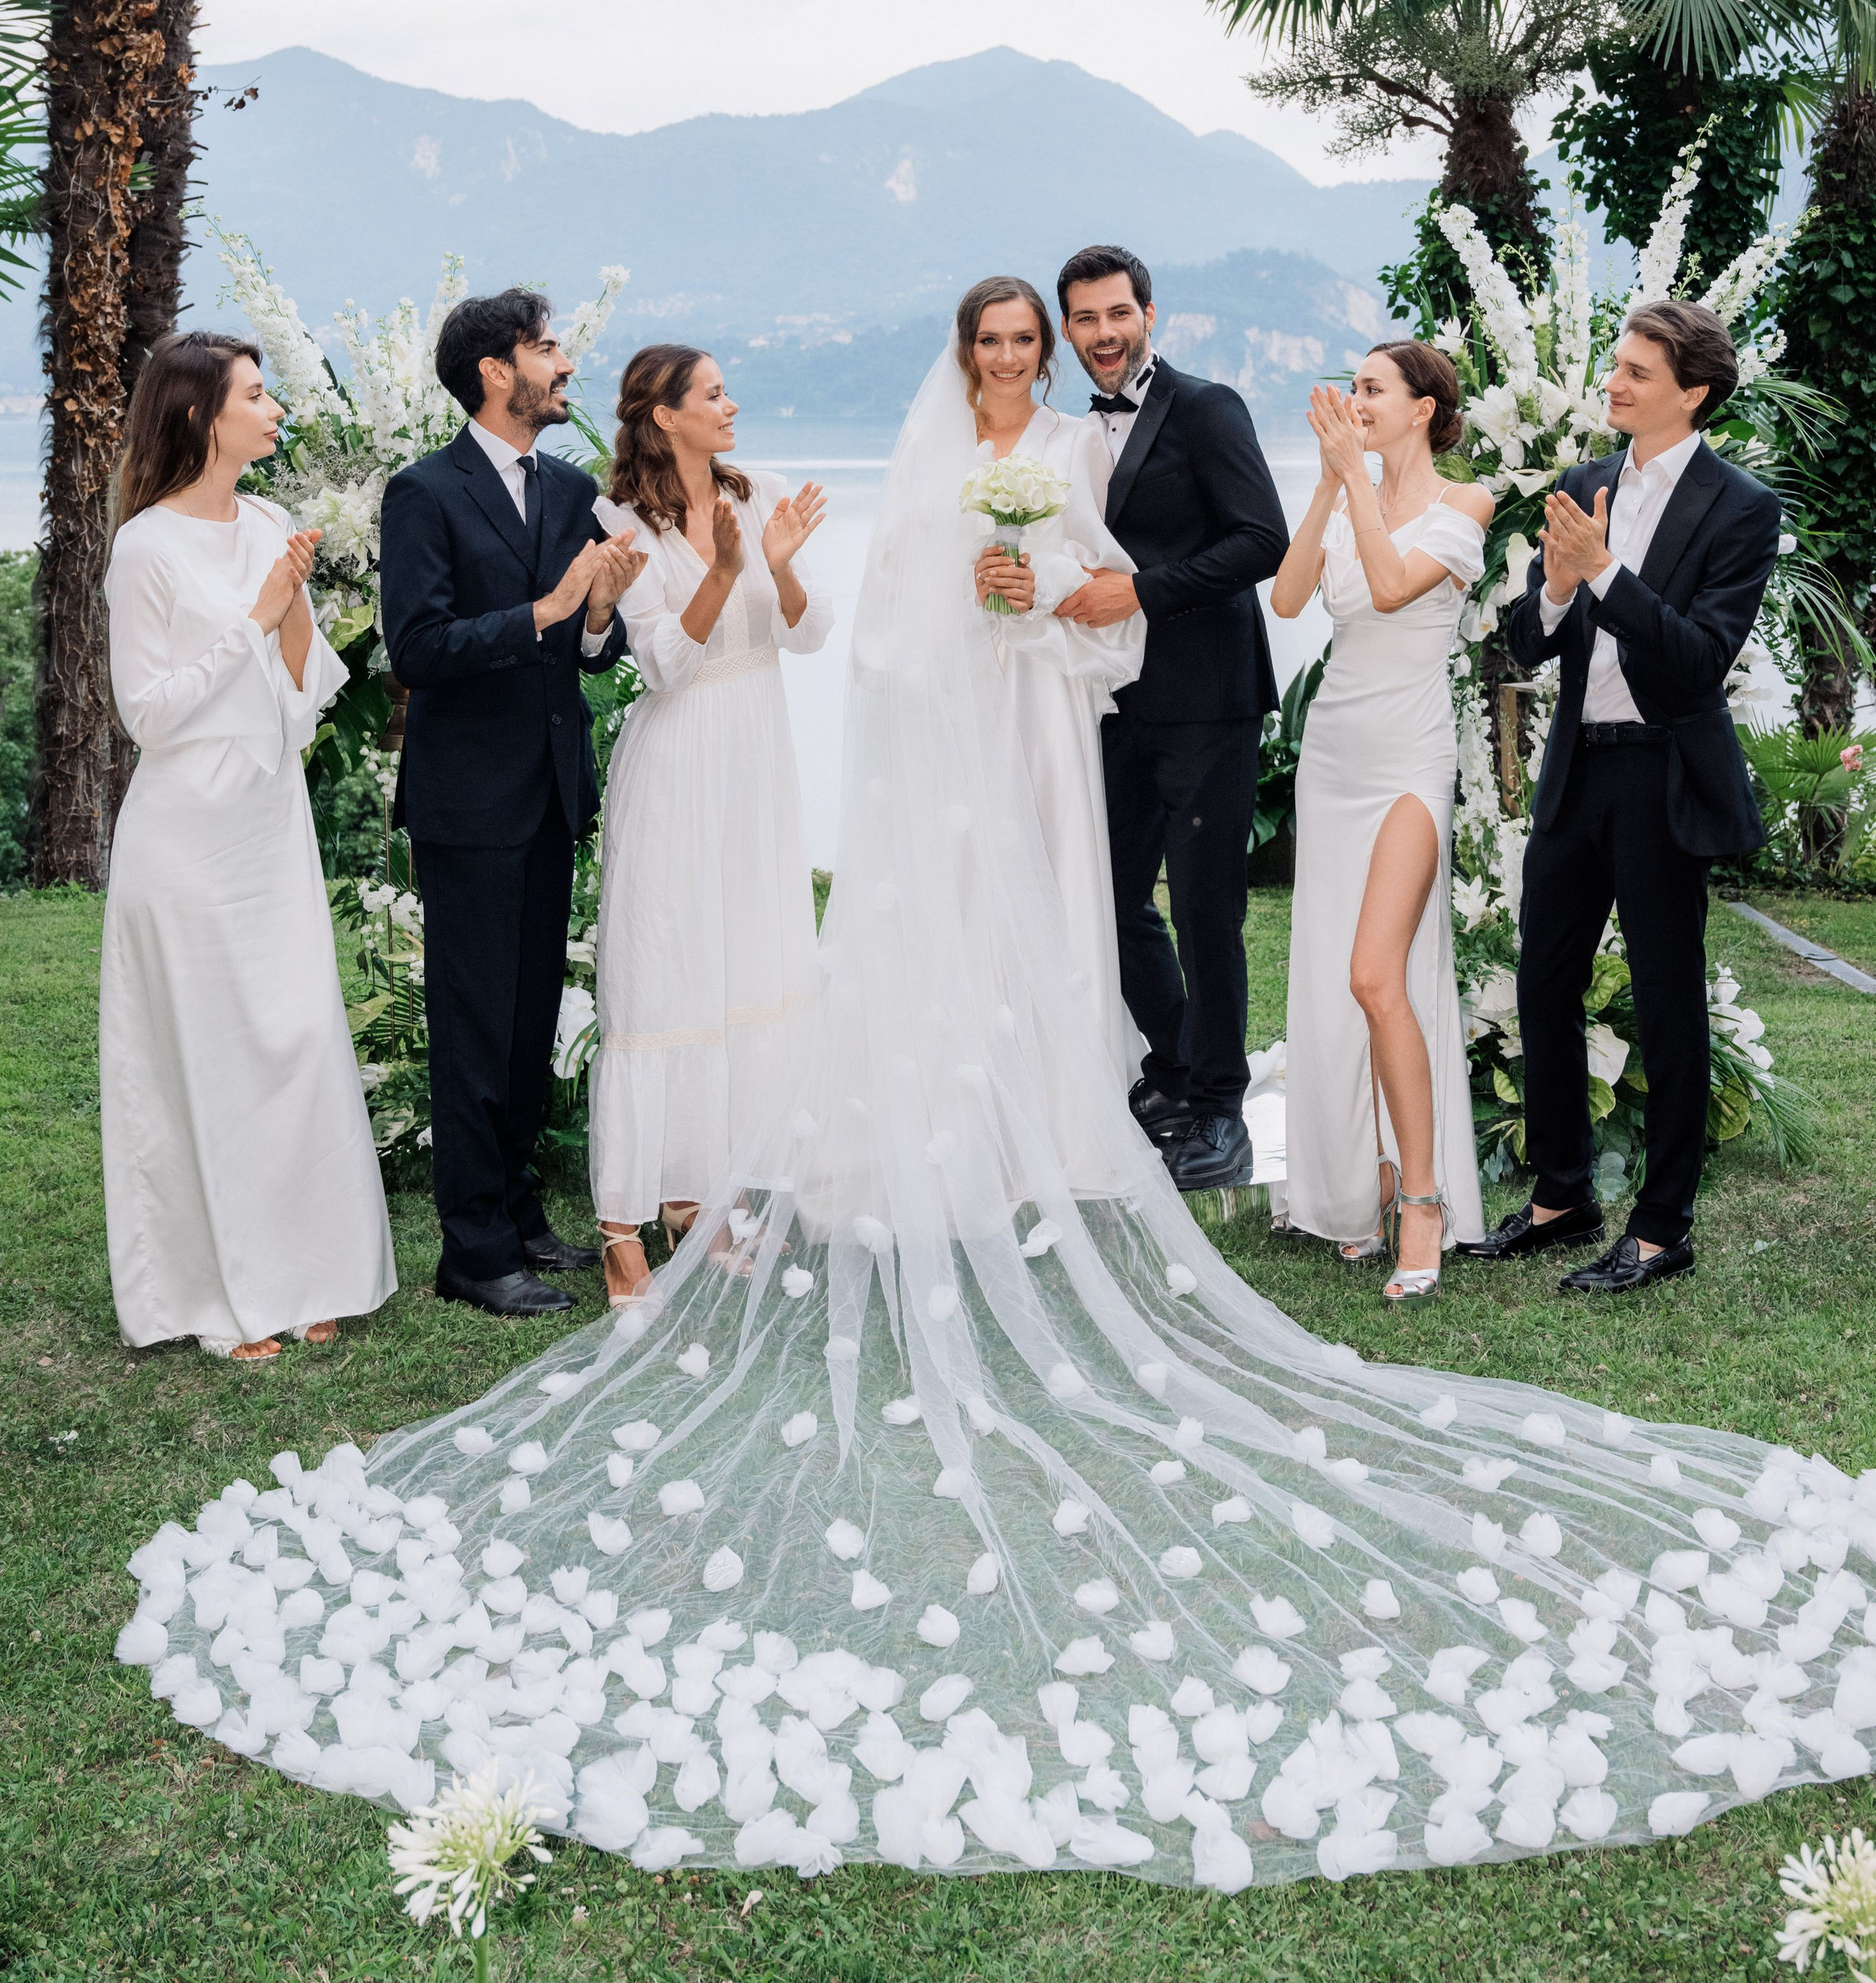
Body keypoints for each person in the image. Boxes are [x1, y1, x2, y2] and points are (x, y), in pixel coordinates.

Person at [131, 314, 1876, 1897]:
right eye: (1009, 334)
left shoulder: (1134, 460)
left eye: (1035, 334)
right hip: (807, 744)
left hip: (1232, 721)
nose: (1028, 353)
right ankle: (596, 1207)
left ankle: (1501, 1186)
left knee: (1192, 943)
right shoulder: (666, 497)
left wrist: (1035, 581)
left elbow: (1227, 584)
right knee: (807, 964)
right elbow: (755, 636)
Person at [1463, 300, 1781, 1296]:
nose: (1616, 381)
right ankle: (1562, 1196)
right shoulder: (1585, 482)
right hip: (1577, 767)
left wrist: (1605, 572)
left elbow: (1695, 661)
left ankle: (1661, 1226)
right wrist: (1558, 587)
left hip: (1662, 774)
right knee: (1545, 979)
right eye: (1618, 365)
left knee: (1666, 994)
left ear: (1690, 392)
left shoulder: (1740, 507)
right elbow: (1529, 640)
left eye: (1638, 371)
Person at [100, 330, 395, 1360]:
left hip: (269, 821)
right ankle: (216, 1293)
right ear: (198, 415)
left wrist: (292, 616)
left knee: (296, 1038)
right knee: (211, 1056)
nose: (276, 411)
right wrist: (255, 615)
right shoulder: (145, 548)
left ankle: (306, 1267)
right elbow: (149, 714)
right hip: (187, 834)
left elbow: (304, 691)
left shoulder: (268, 518)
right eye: (258, 395)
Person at [379, 289, 644, 1321]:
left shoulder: (573, 486)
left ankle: (523, 1215)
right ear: (496, 370)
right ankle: (473, 1249)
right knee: (474, 1023)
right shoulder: (425, 493)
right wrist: (544, 607)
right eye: (547, 350)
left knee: (534, 1019)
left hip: (548, 793)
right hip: (468, 802)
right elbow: (419, 648)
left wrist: (599, 612)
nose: (564, 366)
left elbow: (593, 646)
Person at [586, 345, 832, 1302]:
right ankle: (621, 1225)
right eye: (713, 394)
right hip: (678, 764)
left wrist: (777, 566)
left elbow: (808, 634)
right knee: (662, 979)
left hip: (756, 763)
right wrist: (725, 572)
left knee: (742, 971)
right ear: (663, 418)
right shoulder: (623, 522)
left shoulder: (760, 488)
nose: (732, 404)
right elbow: (661, 666)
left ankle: (705, 1196)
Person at [1054, 243, 1288, 1191]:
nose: (1104, 335)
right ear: (1069, 330)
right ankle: (1175, 1065)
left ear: (1150, 314)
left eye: (1118, 314)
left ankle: (1220, 1108)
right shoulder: (1073, 436)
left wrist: (1142, 593)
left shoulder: (1206, 407)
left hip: (1209, 705)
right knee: (1107, 902)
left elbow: (1262, 539)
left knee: (1204, 908)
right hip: (1113, 705)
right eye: (1086, 320)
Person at [1270, 345, 1489, 1296]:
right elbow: (1285, 598)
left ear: (1424, 410)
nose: (1354, 401)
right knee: (1337, 971)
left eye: (1371, 390)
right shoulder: (1348, 486)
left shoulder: (1465, 506)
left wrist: (1354, 482)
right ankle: (1366, 1181)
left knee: (1377, 974)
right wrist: (1328, 486)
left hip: (1408, 756)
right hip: (1333, 755)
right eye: (1352, 388)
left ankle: (1425, 1202)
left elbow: (1395, 584)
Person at [953, 276, 1148, 1184]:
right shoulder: (934, 446)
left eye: (1023, 338)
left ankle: (1066, 1117)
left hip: (1044, 689)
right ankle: (968, 1101)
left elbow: (1113, 572)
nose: (1006, 356)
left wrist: (1048, 581)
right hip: (959, 692)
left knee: (1057, 873)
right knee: (962, 882)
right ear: (967, 347)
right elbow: (896, 585)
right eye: (990, 339)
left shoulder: (1074, 442)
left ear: (1045, 348)